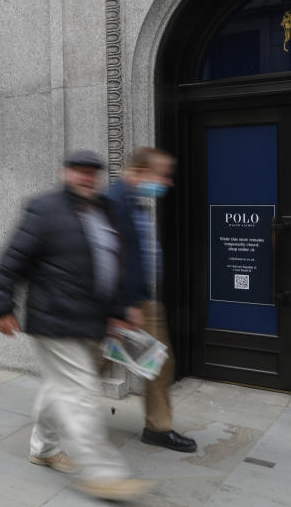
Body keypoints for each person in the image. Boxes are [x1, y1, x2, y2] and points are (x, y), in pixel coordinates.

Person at [0, 150, 152, 502]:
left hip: (90, 320)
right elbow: (11, 260)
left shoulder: (103, 211)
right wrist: (2, 306)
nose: (85, 178)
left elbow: (113, 264)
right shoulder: (44, 209)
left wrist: (121, 308)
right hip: (54, 318)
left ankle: (43, 448)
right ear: (65, 173)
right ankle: (103, 474)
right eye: (78, 172)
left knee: (58, 386)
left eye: (91, 173)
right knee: (80, 393)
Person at [107, 147, 197, 453]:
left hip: (142, 300)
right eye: (164, 175)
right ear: (143, 172)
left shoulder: (133, 202)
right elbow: (112, 257)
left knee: (160, 362)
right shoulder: (116, 200)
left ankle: (158, 428)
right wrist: (122, 307)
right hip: (120, 303)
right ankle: (56, 425)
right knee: (89, 365)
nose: (167, 183)